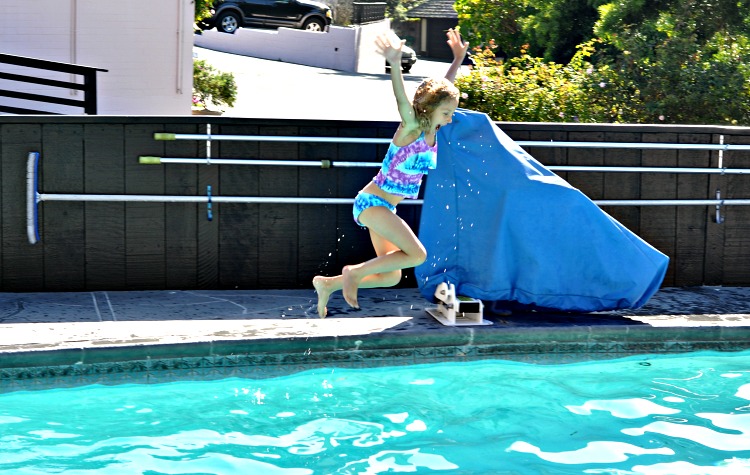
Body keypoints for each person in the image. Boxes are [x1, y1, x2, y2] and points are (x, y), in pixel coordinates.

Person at [312, 29, 470, 317]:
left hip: (385, 207)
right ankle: (353, 273)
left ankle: (328, 285)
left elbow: (444, 88)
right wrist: (395, 64)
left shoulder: (433, 129)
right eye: (447, 113)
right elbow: (401, 99)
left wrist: (458, 59)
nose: (450, 118)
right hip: (371, 203)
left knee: (391, 276)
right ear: (432, 109)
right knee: (417, 254)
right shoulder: (411, 128)